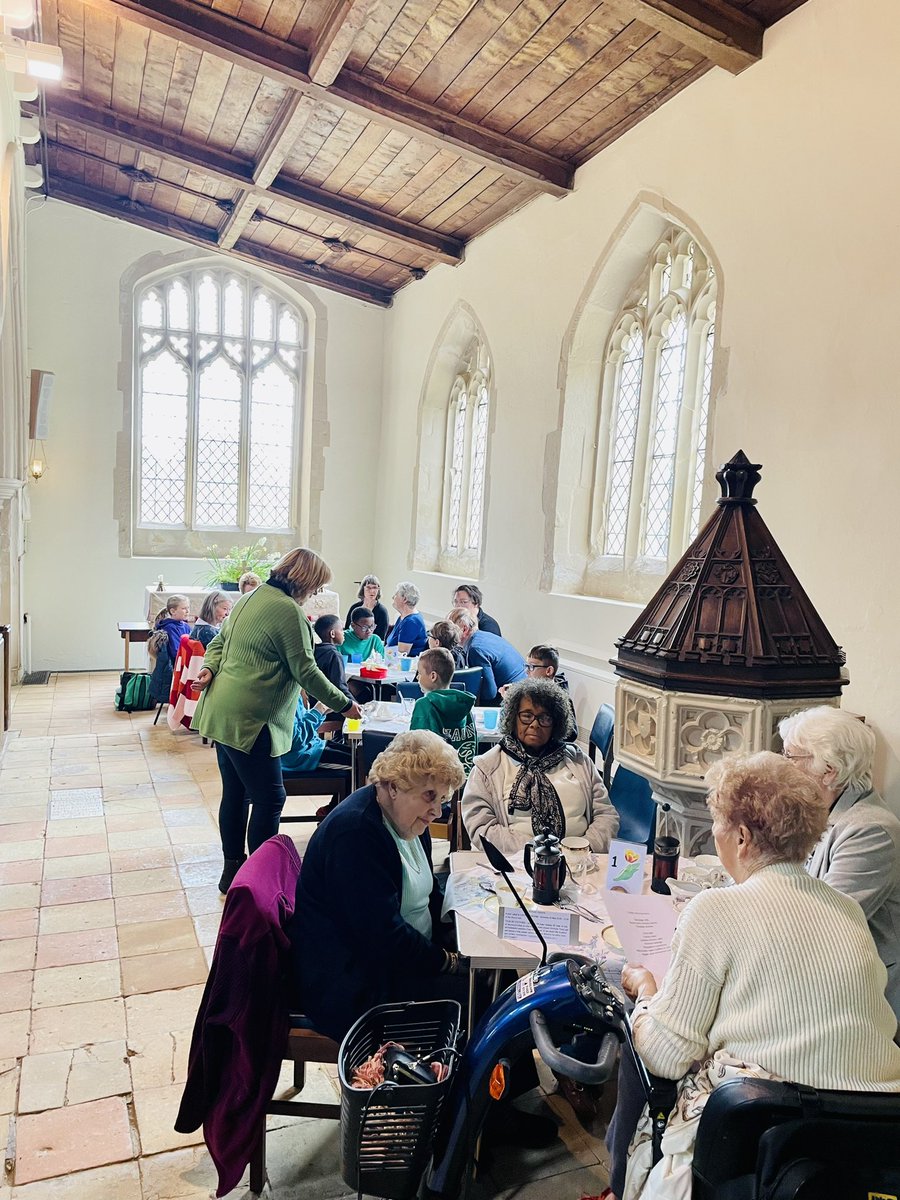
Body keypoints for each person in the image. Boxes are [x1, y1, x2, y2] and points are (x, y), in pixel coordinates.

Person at [606, 752, 900, 1200]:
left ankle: (619, 1183)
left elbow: (666, 1055)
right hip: (866, 1129)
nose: (716, 834)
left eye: (717, 823)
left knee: (638, 1041)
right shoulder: (846, 910)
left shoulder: (716, 909)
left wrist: (647, 991)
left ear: (741, 837)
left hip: (766, 1136)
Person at [192, 547, 362, 894]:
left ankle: (233, 872)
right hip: (252, 718)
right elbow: (306, 671)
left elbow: (219, 642)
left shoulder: (249, 598)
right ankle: (261, 881)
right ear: (305, 582)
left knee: (236, 795)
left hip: (222, 711)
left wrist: (209, 668)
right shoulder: (288, 611)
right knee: (270, 799)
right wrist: (345, 705)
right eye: (315, 588)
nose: (314, 595)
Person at [289, 731, 467, 1042]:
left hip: (393, 959)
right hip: (354, 983)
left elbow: (429, 895)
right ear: (394, 786)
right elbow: (383, 939)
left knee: (494, 974)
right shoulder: (356, 833)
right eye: (429, 796)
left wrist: (456, 937)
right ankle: (464, 1087)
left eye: (442, 799)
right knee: (479, 996)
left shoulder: (406, 820)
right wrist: (447, 961)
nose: (437, 811)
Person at [778, 706, 900, 1020]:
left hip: (857, 998)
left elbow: (823, 922)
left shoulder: (871, 831)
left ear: (829, 770)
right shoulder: (815, 810)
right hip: (816, 973)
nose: (782, 766)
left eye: (791, 758)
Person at [462, 677, 617, 853]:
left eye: (544, 718)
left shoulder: (579, 762)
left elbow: (607, 816)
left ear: (555, 723)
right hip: (516, 866)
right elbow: (482, 828)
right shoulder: (487, 768)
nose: (535, 725)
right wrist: (541, 855)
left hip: (581, 862)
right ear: (513, 718)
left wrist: (581, 851)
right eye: (527, 716)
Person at [411, 647, 477, 773]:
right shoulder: (464, 703)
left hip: (434, 779)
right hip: (463, 777)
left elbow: (415, 745)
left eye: (419, 673)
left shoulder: (424, 704)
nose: (418, 678)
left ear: (433, 676)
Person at [449, 608, 525, 705]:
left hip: (513, 697)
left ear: (464, 629)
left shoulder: (475, 649)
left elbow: (489, 693)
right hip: (520, 687)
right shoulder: (485, 636)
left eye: (451, 628)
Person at [280, 695, 352, 773]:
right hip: (301, 760)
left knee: (361, 755)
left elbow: (303, 723)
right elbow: (296, 741)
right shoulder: (281, 700)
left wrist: (324, 711)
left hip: (314, 746)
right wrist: (318, 711)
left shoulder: (293, 693)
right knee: (359, 764)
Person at [312, 613, 353, 718]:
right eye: (341, 630)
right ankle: (340, 735)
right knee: (365, 693)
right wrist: (354, 705)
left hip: (314, 705)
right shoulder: (334, 655)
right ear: (333, 634)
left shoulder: (314, 650)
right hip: (330, 708)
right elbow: (340, 687)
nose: (343, 633)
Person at [386, 581, 428, 655]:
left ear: (404, 599)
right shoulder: (403, 617)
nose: (393, 597)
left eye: (396, 595)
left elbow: (401, 654)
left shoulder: (411, 622)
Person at [345, 574, 389, 641]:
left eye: (374, 587)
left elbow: (380, 637)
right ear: (363, 589)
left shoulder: (382, 611)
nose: (372, 591)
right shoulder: (354, 607)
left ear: (378, 590)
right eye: (368, 587)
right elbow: (347, 630)